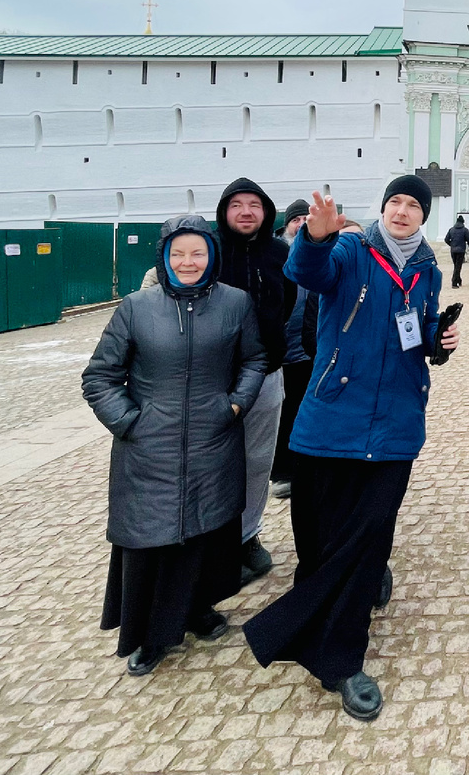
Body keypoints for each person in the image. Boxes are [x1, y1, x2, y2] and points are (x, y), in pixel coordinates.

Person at [244, 175, 460, 721]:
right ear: (383, 209)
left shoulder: (428, 269)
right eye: (396, 202)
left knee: (367, 540)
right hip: (330, 421)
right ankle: (315, 621)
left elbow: (419, 330)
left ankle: (341, 660)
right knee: (317, 542)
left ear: (424, 216)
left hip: (395, 425)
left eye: (414, 205)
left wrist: (439, 340)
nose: (403, 211)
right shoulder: (350, 248)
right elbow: (307, 274)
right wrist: (313, 240)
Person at [82, 216, 267, 675]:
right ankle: (149, 632)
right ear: (165, 257)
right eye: (179, 253)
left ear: (211, 256)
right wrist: (129, 422)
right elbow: (100, 376)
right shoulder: (136, 308)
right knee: (152, 539)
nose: (188, 262)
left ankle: (199, 609)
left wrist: (236, 405)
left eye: (198, 253)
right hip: (149, 448)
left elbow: (254, 358)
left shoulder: (235, 304)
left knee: (205, 531)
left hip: (212, 440)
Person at [215, 178, 297, 585]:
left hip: (265, 371)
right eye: (236, 205)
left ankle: (247, 535)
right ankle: (208, 540)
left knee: (257, 459)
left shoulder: (280, 252)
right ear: (223, 211)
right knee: (207, 460)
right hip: (211, 378)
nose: (246, 212)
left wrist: (263, 345)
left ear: (266, 212)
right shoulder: (209, 251)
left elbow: (289, 300)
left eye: (254, 205)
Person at [271, 199, 320, 501]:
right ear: (287, 224)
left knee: (306, 409)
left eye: (306, 218)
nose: (301, 223)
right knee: (283, 411)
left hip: (309, 347)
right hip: (281, 348)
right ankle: (282, 471)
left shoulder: (320, 252)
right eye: (296, 219)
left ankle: (305, 468)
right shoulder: (276, 254)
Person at [444, 214, 469, 288]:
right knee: (458, 267)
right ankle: (454, 283)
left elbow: (446, 239)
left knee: (456, 266)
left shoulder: (451, 229)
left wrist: (452, 245)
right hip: (461, 251)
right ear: (462, 222)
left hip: (453, 251)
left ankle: (458, 280)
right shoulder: (465, 230)